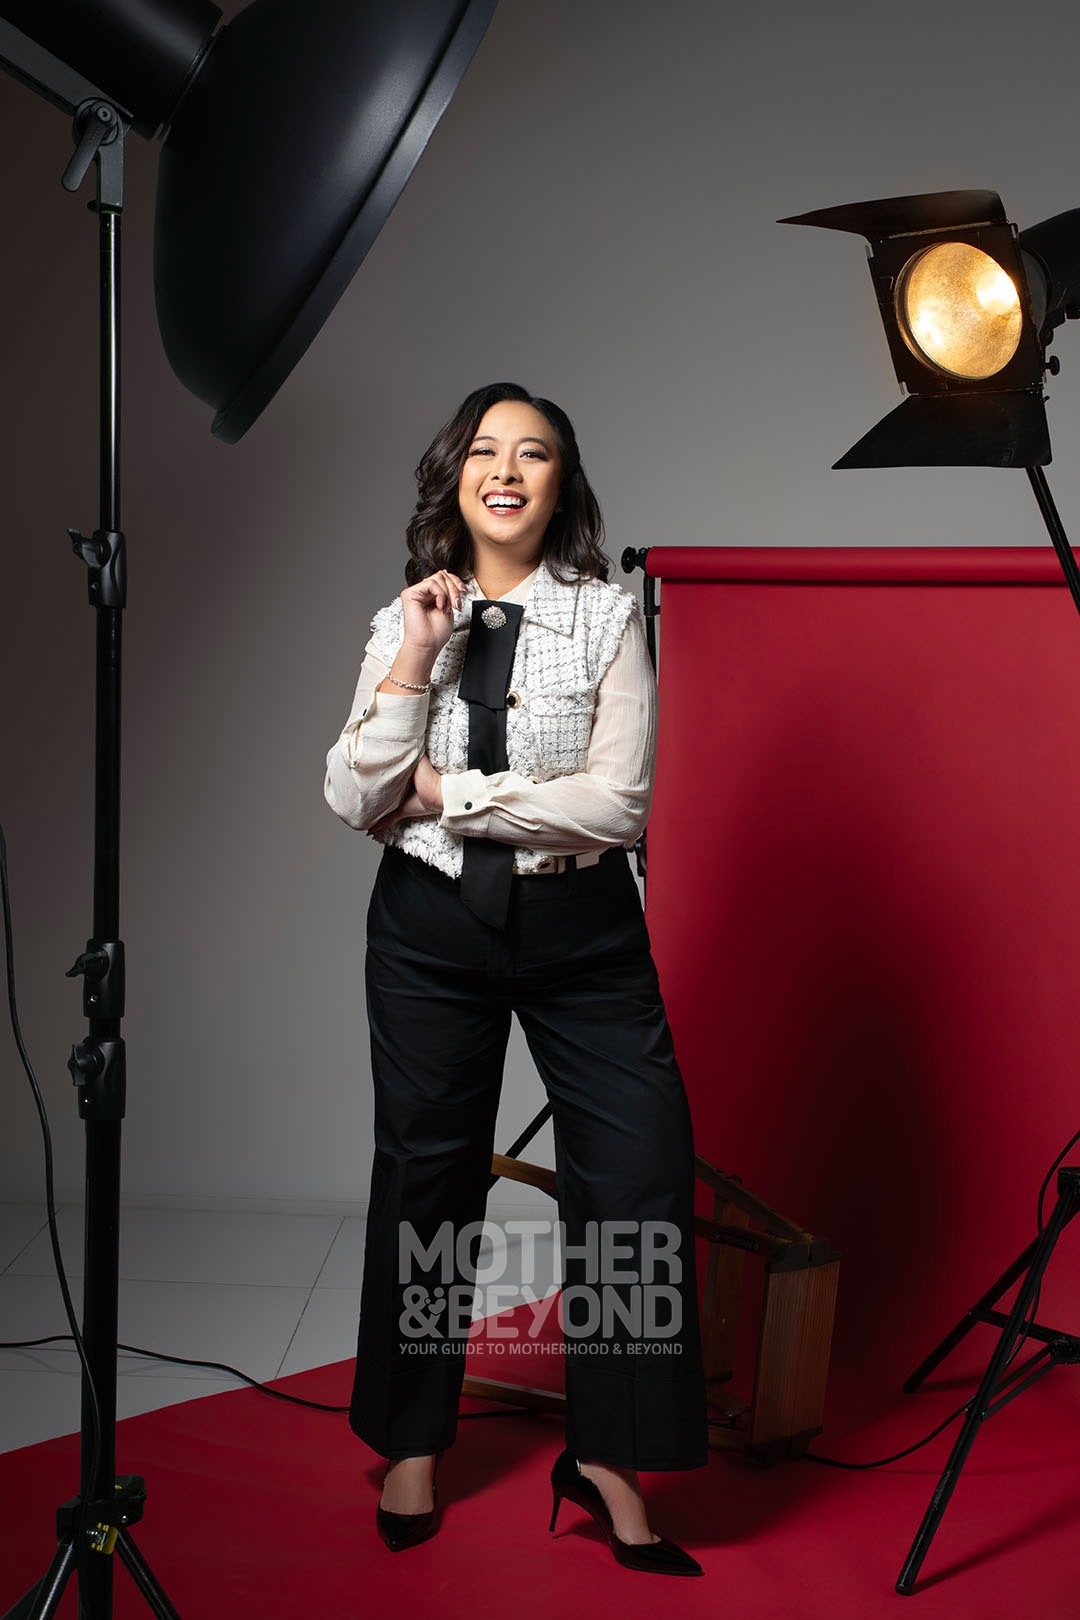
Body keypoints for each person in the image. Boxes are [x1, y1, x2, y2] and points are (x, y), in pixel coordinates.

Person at [323, 382, 709, 1575]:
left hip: (581, 931)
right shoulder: (402, 622)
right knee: (427, 1177)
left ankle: (610, 1456)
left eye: (532, 453)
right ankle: (412, 1436)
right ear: (455, 477)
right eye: (485, 451)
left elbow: (618, 804)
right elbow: (351, 793)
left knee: (638, 1180)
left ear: (560, 484)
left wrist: (447, 795)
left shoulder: (607, 618)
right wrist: (418, 657)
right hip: (429, 930)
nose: (506, 470)